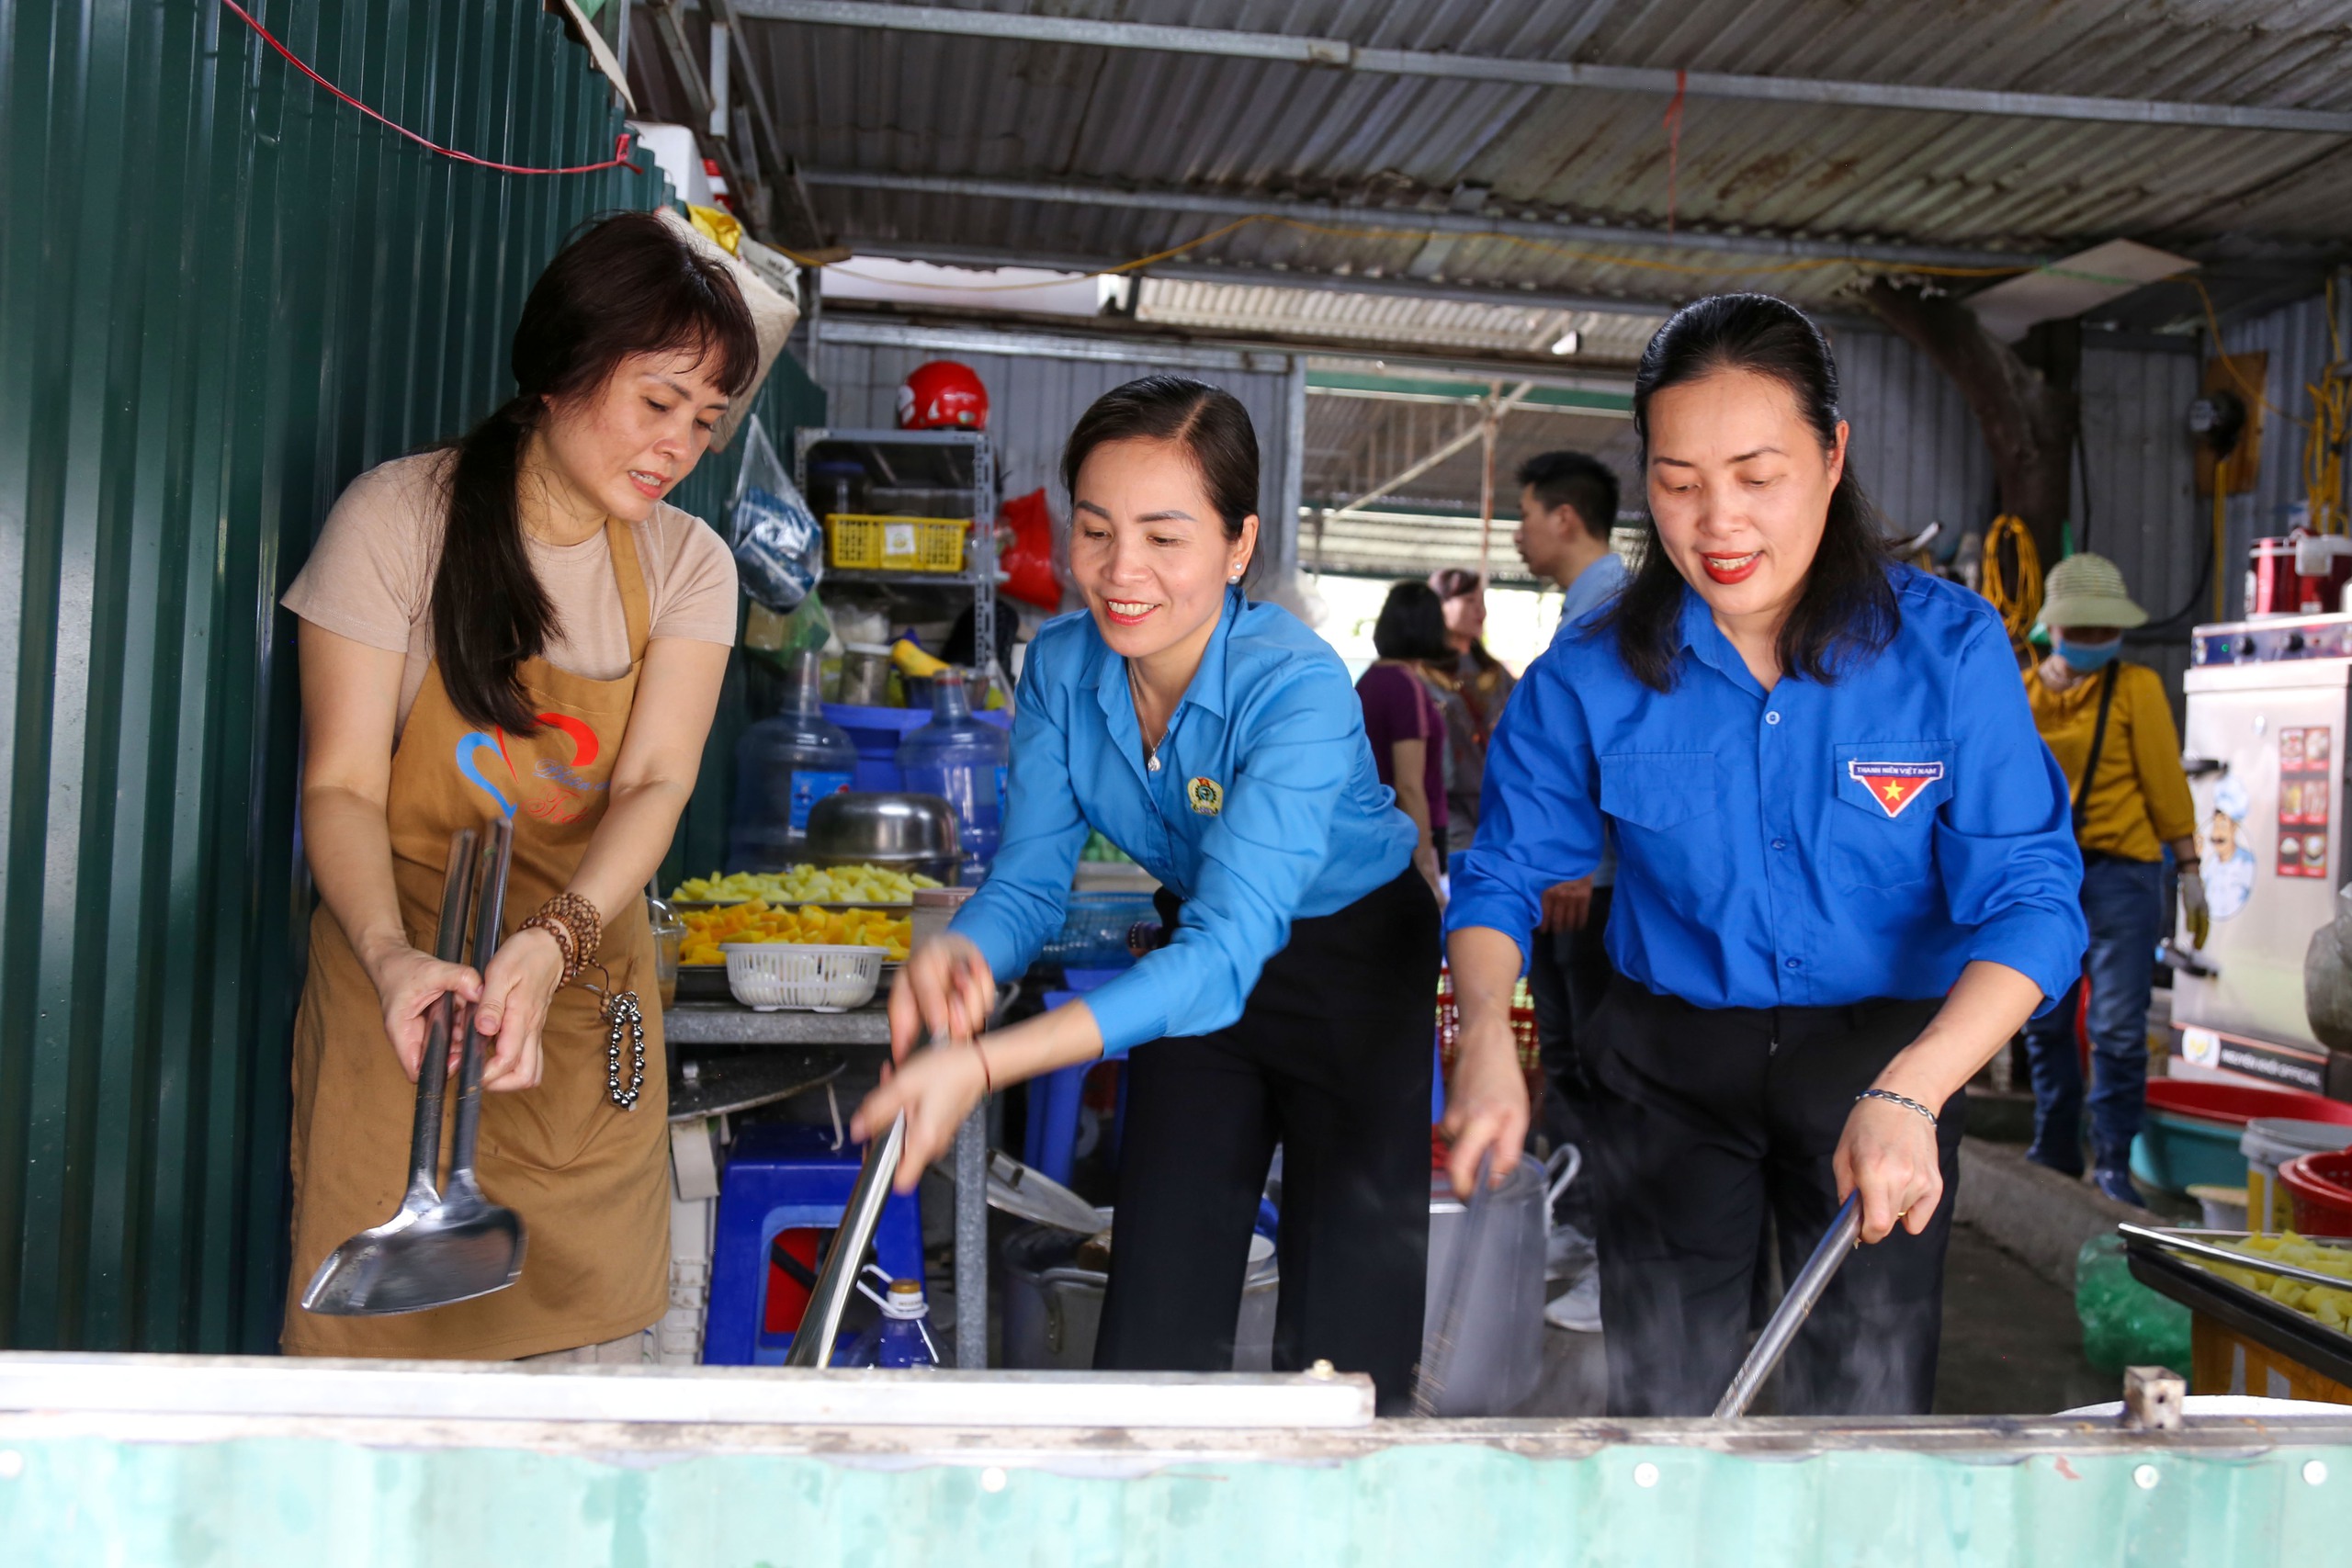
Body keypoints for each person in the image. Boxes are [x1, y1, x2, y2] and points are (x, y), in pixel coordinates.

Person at [1441, 293, 2087, 1417]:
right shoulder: (1592, 672)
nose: (1716, 523)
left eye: (1755, 475)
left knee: (1865, 1395)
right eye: (1678, 483)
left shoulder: (1947, 651)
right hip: (1669, 1067)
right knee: (1671, 1395)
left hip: (1882, 1063)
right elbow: (1497, 874)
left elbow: (2034, 902)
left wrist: (1918, 1088)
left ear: (1832, 457)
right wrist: (1487, 1037)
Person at [851, 376, 1440, 1412]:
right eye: (1094, 531)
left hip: (1353, 964)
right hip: (1193, 952)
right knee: (1154, 1313)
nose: (1121, 574)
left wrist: (985, 1062)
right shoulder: (1061, 666)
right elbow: (1029, 883)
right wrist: (968, 952)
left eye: (1165, 539)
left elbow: (1223, 960)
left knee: (1344, 1347)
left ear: (1237, 544)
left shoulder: (1293, 688)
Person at [279, 212, 753, 1359]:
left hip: (578, 1004)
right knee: (372, 1399)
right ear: (563, 369)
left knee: (584, 1403)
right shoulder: (398, 521)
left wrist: (552, 944)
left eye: (705, 419)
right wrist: (394, 958)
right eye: (657, 402)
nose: (679, 445)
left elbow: (653, 781)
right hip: (399, 1004)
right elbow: (340, 787)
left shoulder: (690, 564)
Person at [2019, 552, 2205, 1206]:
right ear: (2054, 628)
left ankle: (2115, 1158)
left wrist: (2189, 868)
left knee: (2119, 1023)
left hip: (2124, 874)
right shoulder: (2023, 691)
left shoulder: (2137, 689)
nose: (2098, 641)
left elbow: (2164, 780)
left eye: (2107, 630)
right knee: (2041, 1013)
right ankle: (2054, 1142)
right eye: (2085, 630)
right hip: (2044, 875)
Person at [1510, 448, 1627, 1333]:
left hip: (1594, 884)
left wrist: (1580, 854)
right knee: (1571, 1059)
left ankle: (1609, 1252)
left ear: (1563, 518)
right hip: (1574, 872)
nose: (1517, 535)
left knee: (1598, 1064)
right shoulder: (1585, 605)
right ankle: (1584, 1227)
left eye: (1523, 515)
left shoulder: (1615, 605)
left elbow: (1616, 742)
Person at [1357, 581, 1453, 896]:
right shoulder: (1406, 686)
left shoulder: (1369, 680)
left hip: (1371, 831)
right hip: (1406, 834)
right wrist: (1427, 867)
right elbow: (1410, 785)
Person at [1430, 567, 1517, 735]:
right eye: (1470, 600)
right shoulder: (1422, 671)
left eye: (1482, 602)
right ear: (1440, 605)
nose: (1481, 612)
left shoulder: (1495, 671)